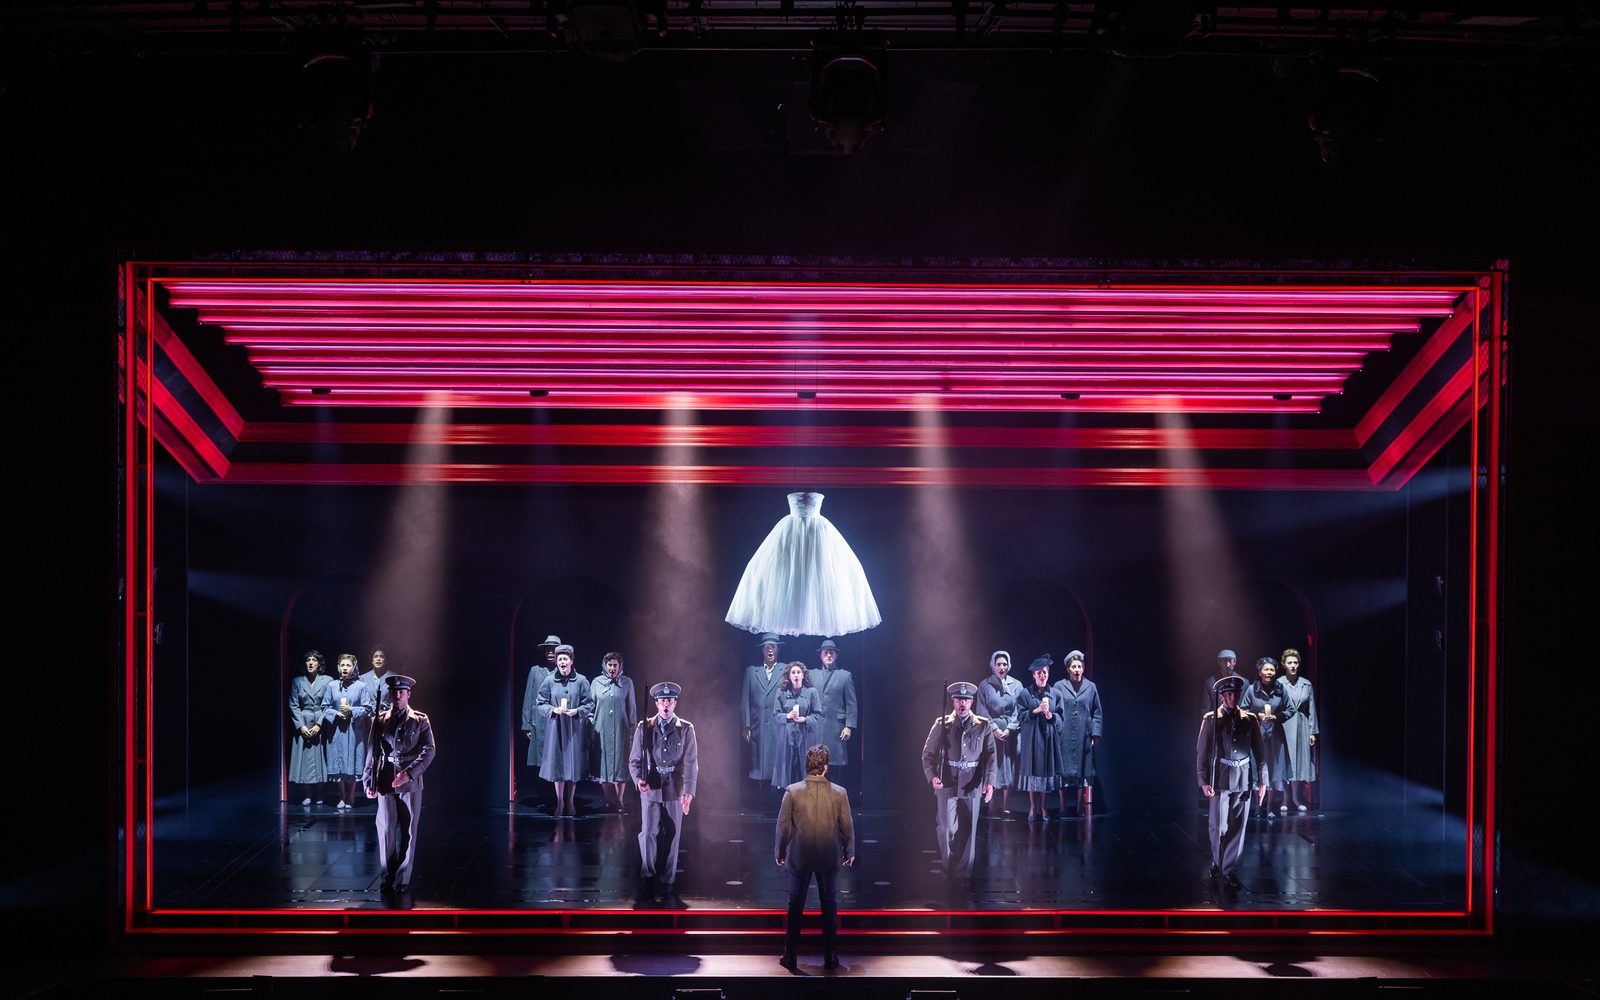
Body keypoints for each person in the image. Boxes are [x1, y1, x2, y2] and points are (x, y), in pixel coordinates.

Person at [775, 744, 855, 972]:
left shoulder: (792, 790)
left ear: (807, 765)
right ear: (826, 767)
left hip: (799, 855)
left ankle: (790, 956)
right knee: (829, 905)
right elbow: (847, 826)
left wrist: (779, 851)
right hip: (828, 856)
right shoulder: (839, 792)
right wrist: (850, 851)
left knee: (795, 905)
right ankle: (830, 956)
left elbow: (782, 826)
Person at [363, 674, 436, 894]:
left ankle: (403, 878)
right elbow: (371, 752)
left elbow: (429, 750)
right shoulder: (381, 719)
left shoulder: (420, 720)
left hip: (410, 783)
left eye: (401, 692)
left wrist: (410, 773)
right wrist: (368, 780)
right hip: (385, 780)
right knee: (385, 830)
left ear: (408, 694)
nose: (397, 695)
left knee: (409, 831)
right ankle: (387, 875)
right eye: (394, 692)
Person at [920, 681, 997, 885]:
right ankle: (948, 867)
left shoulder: (983, 725)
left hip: (972, 782)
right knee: (946, 828)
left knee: (970, 831)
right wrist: (932, 776)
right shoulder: (941, 724)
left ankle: (963, 874)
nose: (963, 702)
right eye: (959, 699)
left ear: (971, 701)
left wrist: (990, 783)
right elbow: (927, 755)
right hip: (948, 782)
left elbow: (990, 757)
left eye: (966, 699)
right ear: (953, 701)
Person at [1196, 675, 1267, 891]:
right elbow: (1202, 752)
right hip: (1221, 778)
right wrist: (1203, 780)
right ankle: (1218, 861)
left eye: (1236, 694)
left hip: (1243, 779)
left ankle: (1228, 869)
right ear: (1222, 696)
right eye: (1228, 695)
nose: (1233, 698)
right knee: (1218, 827)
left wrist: (1263, 782)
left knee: (1238, 828)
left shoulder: (1250, 719)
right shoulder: (1211, 719)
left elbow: (1260, 753)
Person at [630, 681, 699, 900]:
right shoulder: (645, 727)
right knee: (648, 832)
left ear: (675, 702)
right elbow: (634, 761)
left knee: (673, 834)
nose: (666, 704)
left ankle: (668, 879)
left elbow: (691, 762)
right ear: (656, 703)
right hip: (651, 784)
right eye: (662, 701)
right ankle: (648, 874)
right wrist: (638, 779)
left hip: (674, 785)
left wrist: (688, 790)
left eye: (669, 700)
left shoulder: (686, 728)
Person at [538, 643, 594, 817]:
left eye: (565, 659)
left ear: (571, 661)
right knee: (558, 768)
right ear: (556, 662)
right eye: (559, 659)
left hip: (574, 730)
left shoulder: (582, 680)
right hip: (556, 730)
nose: (562, 662)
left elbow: (589, 703)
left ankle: (570, 801)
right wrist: (553, 710)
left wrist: (576, 711)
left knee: (573, 767)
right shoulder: (549, 680)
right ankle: (560, 802)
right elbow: (540, 702)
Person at [1050, 649, 1103, 818]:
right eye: (1074, 666)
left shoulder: (1091, 687)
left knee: (1083, 769)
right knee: (1062, 770)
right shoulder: (1059, 686)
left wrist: (1095, 734)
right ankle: (1063, 805)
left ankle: (1080, 805)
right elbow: (1054, 709)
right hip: (1063, 735)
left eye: (1080, 666)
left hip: (1083, 735)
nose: (1077, 669)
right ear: (1068, 669)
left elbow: (1097, 712)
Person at [1242, 656, 1296, 816]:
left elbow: (1291, 709)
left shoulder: (1281, 689)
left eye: (1272, 670)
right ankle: (1257, 807)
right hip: (1256, 736)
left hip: (1275, 737)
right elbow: (1243, 709)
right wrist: (1256, 716)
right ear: (1260, 672)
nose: (1269, 672)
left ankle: (1269, 807)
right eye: (1266, 669)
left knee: (1272, 772)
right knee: (1257, 770)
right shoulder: (1252, 689)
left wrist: (1277, 717)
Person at [808, 639, 859, 797]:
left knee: (835, 766)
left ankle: (835, 800)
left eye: (832, 652)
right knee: (815, 764)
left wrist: (849, 726)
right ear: (820, 655)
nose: (829, 655)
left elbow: (851, 703)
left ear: (836, 656)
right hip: (816, 728)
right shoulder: (811, 674)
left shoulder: (844, 675)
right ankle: (816, 800)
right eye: (826, 652)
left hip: (836, 728)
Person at [976, 650, 1024, 817]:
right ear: (993, 665)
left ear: (1008, 665)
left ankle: (1006, 804)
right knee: (992, 766)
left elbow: (1020, 709)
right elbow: (982, 710)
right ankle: (991, 804)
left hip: (1010, 733)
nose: (1001, 667)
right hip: (991, 733)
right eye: (998, 664)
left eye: (1004, 664)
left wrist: (1009, 728)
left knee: (1009, 768)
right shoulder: (984, 685)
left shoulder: (1017, 685)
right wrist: (994, 729)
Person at [324, 652, 374, 810]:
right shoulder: (332, 685)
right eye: (343, 665)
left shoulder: (361, 686)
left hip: (354, 730)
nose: (345, 668)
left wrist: (352, 710)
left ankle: (351, 796)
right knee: (338, 760)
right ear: (338, 668)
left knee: (352, 761)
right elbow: (324, 706)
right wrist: (335, 713)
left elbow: (368, 707)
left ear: (354, 668)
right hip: (337, 730)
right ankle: (342, 796)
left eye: (348, 665)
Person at [1015, 654, 1061, 822]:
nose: (1042, 675)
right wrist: (1036, 711)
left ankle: (1044, 807)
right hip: (1031, 740)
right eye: (1039, 673)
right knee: (1032, 774)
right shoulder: (1025, 694)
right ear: (1033, 675)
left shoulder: (1055, 693)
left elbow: (1061, 717)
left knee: (1044, 774)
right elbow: (1020, 716)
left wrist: (1050, 716)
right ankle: (1033, 807)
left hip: (1048, 739)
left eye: (1045, 672)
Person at [591, 651, 638, 813]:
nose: (612, 668)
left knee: (620, 764)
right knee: (604, 765)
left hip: (621, 730)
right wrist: (591, 727)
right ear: (605, 666)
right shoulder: (597, 682)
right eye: (609, 665)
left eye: (615, 665)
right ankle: (608, 799)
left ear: (620, 666)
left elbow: (632, 706)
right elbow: (590, 707)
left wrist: (633, 728)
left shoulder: (627, 682)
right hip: (601, 729)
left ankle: (619, 800)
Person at [519, 634, 561, 806]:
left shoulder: (562, 670)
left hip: (557, 722)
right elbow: (529, 698)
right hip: (539, 723)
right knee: (541, 761)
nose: (550, 652)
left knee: (556, 760)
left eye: (554, 649)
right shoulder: (536, 670)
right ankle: (544, 796)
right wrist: (526, 724)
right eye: (548, 649)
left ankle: (557, 798)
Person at [742, 634, 786, 795]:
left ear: (778, 650)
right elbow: (745, 700)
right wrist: (746, 725)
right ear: (762, 650)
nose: (770, 649)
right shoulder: (752, 671)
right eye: (767, 646)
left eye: (773, 646)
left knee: (776, 760)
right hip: (757, 723)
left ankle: (775, 795)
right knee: (757, 762)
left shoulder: (785, 669)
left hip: (777, 723)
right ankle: (759, 795)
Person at [771, 662, 823, 791]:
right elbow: (776, 714)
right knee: (787, 771)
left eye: (798, 672)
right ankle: (787, 803)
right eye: (793, 672)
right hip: (786, 738)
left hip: (805, 736)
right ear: (788, 676)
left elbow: (817, 714)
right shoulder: (781, 692)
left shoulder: (811, 692)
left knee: (804, 769)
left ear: (803, 675)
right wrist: (787, 716)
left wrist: (805, 719)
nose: (796, 675)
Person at [288, 650, 331, 806]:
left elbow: (328, 704)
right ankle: (307, 794)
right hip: (304, 721)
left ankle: (320, 793)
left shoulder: (327, 681)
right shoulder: (297, 681)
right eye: (308, 660)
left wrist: (320, 723)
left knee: (321, 758)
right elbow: (293, 705)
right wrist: (301, 726)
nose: (311, 663)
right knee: (306, 760)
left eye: (314, 660)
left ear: (319, 663)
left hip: (321, 721)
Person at [1279, 647, 1319, 813]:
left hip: (1301, 725)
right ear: (1284, 664)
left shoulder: (1306, 684)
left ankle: (1297, 798)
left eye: (1295, 662)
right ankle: (1285, 798)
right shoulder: (1279, 683)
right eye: (1290, 663)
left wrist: (1312, 732)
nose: (1293, 665)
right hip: (1284, 725)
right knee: (1284, 763)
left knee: (1300, 764)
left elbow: (1312, 709)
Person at [360, 646, 393, 715]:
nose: (378, 659)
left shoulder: (392, 677)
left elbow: (397, 699)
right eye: (375, 656)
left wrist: (388, 708)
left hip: (386, 717)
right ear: (372, 660)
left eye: (381, 656)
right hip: (368, 718)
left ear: (386, 661)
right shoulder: (363, 678)